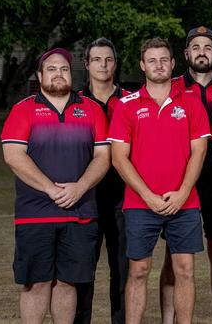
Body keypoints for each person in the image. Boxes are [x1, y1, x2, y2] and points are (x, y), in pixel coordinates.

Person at [1, 48, 111, 323]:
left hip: (80, 212)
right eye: (51, 69)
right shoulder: (23, 109)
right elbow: (13, 155)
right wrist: (51, 189)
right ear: (40, 75)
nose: (59, 74)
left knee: (67, 283)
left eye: (63, 69)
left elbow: (104, 157)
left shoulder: (91, 109)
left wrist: (80, 187)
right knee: (36, 283)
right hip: (34, 213)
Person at [108, 38, 210, 324]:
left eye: (164, 59)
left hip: (185, 203)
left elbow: (199, 151)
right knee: (138, 270)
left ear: (173, 63)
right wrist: (148, 196)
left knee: (185, 269)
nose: (158, 65)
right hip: (140, 204)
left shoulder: (191, 102)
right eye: (152, 60)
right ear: (142, 65)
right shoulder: (127, 105)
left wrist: (182, 192)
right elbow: (119, 159)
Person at [159, 26, 212, 324]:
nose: (201, 52)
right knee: (174, 259)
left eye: (207, 47)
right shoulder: (169, 87)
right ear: (186, 54)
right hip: (181, 184)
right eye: (195, 47)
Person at [73, 38, 130, 324]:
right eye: (97, 59)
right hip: (86, 198)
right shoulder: (75, 102)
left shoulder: (130, 100)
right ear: (87, 64)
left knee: (122, 271)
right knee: (83, 271)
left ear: (115, 64)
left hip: (123, 197)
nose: (103, 65)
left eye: (108, 59)